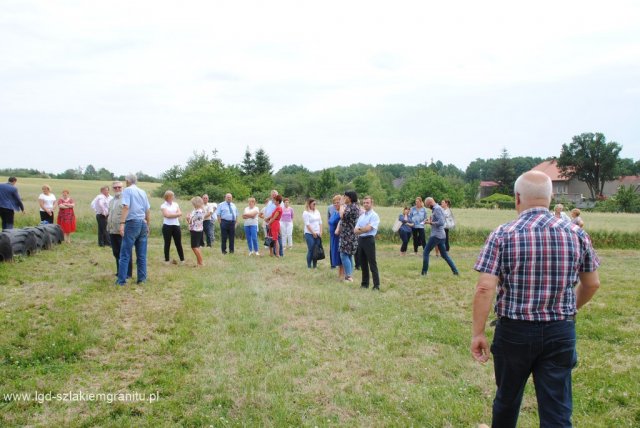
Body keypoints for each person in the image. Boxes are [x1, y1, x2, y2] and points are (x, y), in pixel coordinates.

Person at [471, 171, 601, 427]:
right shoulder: (577, 234)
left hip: (514, 331)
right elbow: (592, 283)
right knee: (557, 410)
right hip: (560, 331)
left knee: (507, 400)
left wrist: (478, 333)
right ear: (551, 197)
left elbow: (485, 288)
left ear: (517, 197)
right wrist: (566, 308)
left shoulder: (502, 234)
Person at [116, 173, 151, 286]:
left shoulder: (127, 191)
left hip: (132, 222)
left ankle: (121, 280)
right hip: (142, 222)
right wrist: (148, 224)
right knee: (141, 254)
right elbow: (147, 209)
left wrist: (122, 223)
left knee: (125, 253)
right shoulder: (142, 192)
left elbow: (126, 206)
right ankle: (142, 279)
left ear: (127, 181)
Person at [421, 197, 459, 276]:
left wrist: (430, 223)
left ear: (430, 203)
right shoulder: (437, 208)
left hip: (436, 235)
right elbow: (438, 219)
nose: (428, 207)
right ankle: (455, 272)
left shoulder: (437, 209)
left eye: (428, 206)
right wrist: (429, 220)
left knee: (426, 252)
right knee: (444, 255)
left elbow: (441, 222)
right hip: (441, 235)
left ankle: (424, 273)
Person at [354, 196, 381, 290]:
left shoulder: (374, 215)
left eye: (367, 202)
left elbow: (369, 229)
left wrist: (361, 229)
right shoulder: (361, 216)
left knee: (372, 263)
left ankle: (376, 285)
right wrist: (363, 229)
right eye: (364, 202)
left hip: (369, 240)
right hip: (360, 240)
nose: (365, 204)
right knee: (363, 263)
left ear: (371, 204)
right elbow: (355, 230)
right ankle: (364, 284)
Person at [107, 181, 132, 279]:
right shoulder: (112, 200)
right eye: (115, 188)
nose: (117, 189)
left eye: (119, 187)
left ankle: (128, 273)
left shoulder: (126, 199)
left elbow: (128, 213)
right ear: (113, 189)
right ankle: (119, 271)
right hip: (113, 229)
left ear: (123, 188)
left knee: (125, 252)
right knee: (116, 252)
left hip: (122, 230)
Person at [339, 191, 359, 282]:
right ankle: (349, 274)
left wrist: (341, 205)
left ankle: (348, 276)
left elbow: (342, 216)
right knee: (349, 255)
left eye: (345, 196)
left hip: (348, 235)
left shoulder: (351, 207)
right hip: (350, 234)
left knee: (343, 254)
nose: (344, 198)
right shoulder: (354, 206)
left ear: (349, 198)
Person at [160, 190, 185, 264]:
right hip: (167, 226)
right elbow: (166, 215)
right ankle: (167, 260)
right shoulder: (163, 205)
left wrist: (172, 214)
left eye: (173, 196)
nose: (173, 197)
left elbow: (180, 213)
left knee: (178, 243)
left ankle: (182, 259)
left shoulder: (176, 204)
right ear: (167, 197)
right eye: (171, 196)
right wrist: (175, 214)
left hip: (176, 225)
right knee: (167, 243)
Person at [302, 198, 323, 269]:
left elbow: (320, 222)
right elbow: (307, 224)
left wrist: (320, 232)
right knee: (311, 248)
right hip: (309, 233)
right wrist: (313, 232)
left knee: (316, 249)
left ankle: (314, 265)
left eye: (315, 204)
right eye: (313, 204)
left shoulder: (317, 211)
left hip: (317, 233)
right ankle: (309, 266)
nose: (315, 205)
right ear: (309, 204)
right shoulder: (306, 213)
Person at [264, 190, 284, 257]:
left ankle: (278, 253)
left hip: (275, 224)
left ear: (278, 201)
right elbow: (272, 215)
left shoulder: (279, 208)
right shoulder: (271, 203)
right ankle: (271, 253)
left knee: (275, 239)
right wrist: (267, 219)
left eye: (275, 200)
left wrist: (269, 223)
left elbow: (274, 217)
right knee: (270, 238)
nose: (274, 201)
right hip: (272, 223)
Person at [327, 194, 343, 278]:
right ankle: (339, 273)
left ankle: (342, 274)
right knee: (335, 255)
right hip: (332, 237)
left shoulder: (341, 213)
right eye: (334, 203)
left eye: (338, 202)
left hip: (338, 237)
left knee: (340, 255)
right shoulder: (334, 212)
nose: (336, 204)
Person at [187, 196, 205, 267]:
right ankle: (199, 263)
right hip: (197, 230)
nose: (192, 204)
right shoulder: (197, 210)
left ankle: (201, 263)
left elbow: (191, 221)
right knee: (197, 246)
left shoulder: (198, 212)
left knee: (194, 247)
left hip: (196, 230)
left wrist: (187, 217)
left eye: (193, 203)